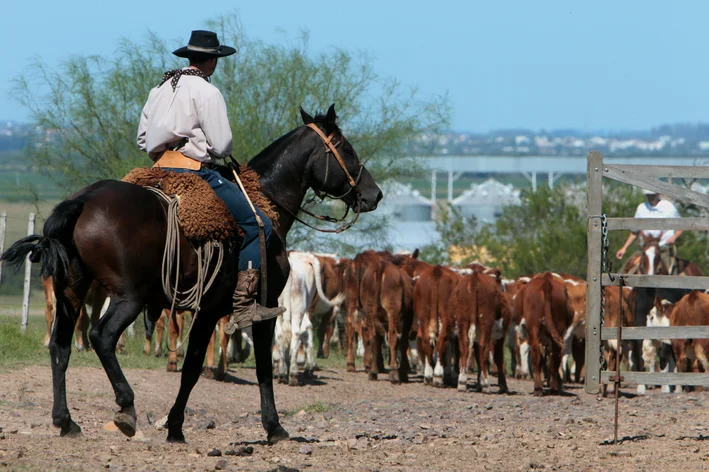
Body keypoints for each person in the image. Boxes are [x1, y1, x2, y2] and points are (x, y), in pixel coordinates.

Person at [137, 30, 285, 333]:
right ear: (213, 61)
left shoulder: (160, 88)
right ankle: (244, 305)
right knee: (258, 225)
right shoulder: (208, 92)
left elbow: (142, 139)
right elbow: (221, 146)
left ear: (190, 57)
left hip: (158, 169)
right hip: (193, 172)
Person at [615, 188, 683, 274]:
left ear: (658, 194)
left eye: (652, 195)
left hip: (662, 249)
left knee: (670, 272)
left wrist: (673, 237)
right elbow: (635, 231)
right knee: (625, 270)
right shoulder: (641, 208)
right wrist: (624, 248)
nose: (650, 198)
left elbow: (681, 226)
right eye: (648, 195)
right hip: (645, 248)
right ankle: (615, 284)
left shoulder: (668, 207)